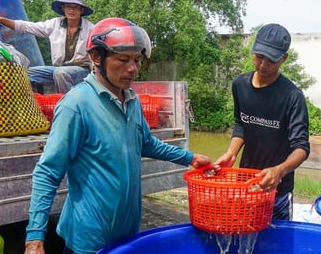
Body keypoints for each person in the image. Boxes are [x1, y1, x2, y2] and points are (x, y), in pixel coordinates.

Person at [24, 17, 213, 254]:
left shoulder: (131, 99)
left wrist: (190, 157)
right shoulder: (76, 104)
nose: (132, 68)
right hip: (88, 240)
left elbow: (145, 143)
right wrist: (34, 238)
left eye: (137, 60)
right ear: (96, 58)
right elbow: (47, 172)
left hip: (126, 236)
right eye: (123, 59)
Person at [214, 23, 310, 220]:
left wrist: (280, 171)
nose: (263, 65)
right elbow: (241, 123)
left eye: (271, 60)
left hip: (278, 190)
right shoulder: (240, 85)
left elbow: (301, 148)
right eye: (259, 56)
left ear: (284, 58)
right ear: (253, 51)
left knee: (276, 247)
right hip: (246, 185)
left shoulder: (292, 96)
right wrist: (231, 153)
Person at [0, 0, 94, 93]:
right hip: (58, 68)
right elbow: (27, 27)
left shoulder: (91, 29)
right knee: (24, 73)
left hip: (82, 70)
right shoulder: (55, 24)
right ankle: (31, 105)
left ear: (81, 10)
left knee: (61, 73)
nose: (72, 10)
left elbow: (99, 53)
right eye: (68, 6)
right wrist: (2, 20)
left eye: (76, 7)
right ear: (63, 8)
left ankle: (67, 105)